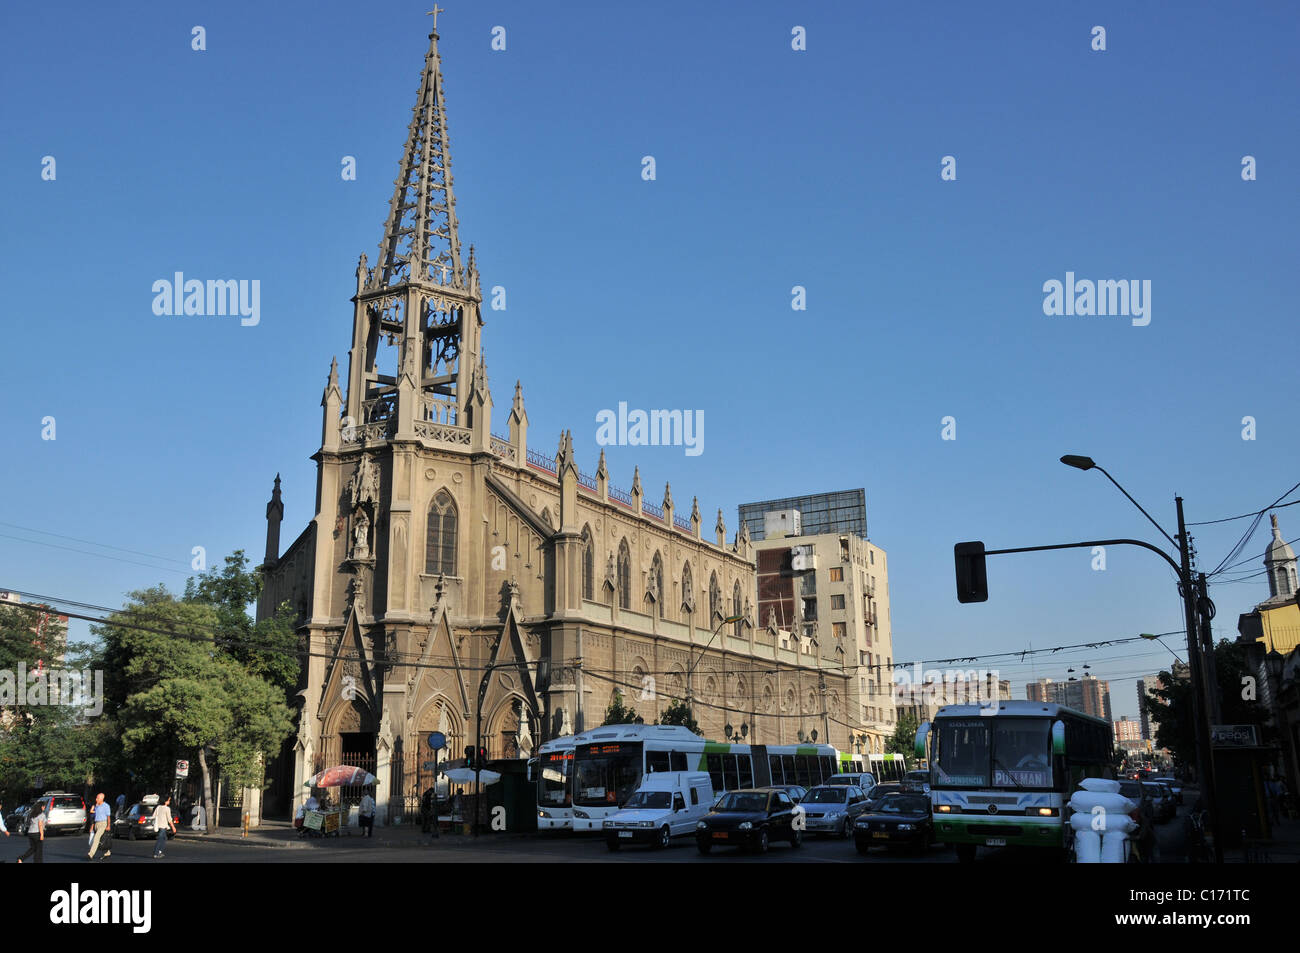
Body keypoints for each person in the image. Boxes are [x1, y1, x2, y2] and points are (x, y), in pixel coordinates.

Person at [88, 792, 112, 860]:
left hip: (103, 824)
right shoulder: (96, 806)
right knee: (101, 840)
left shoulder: (106, 806)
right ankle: (107, 852)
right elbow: (94, 817)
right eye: (96, 797)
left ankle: (91, 854)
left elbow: (108, 817)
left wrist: (108, 825)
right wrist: (92, 826)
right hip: (96, 824)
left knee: (96, 838)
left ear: (102, 799)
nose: (96, 799)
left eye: (98, 798)